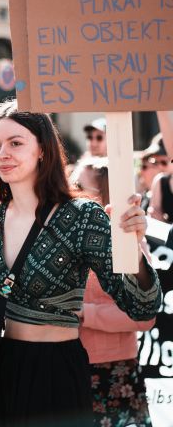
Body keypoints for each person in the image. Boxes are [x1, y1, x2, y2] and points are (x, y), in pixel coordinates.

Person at [0, 99, 161, 427]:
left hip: (56, 374)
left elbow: (141, 306)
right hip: (0, 370)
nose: (2, 153)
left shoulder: (80, 216)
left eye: (16, 143)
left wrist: (132, 246)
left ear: (43, 150)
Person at [73, 158, 154, 426]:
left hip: (115, 371)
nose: (69, 191)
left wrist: (86, 313)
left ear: (104, 195)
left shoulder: (127, 240)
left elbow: (143, 317)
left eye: (78, 185)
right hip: (67, 365)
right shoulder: (65, 235)